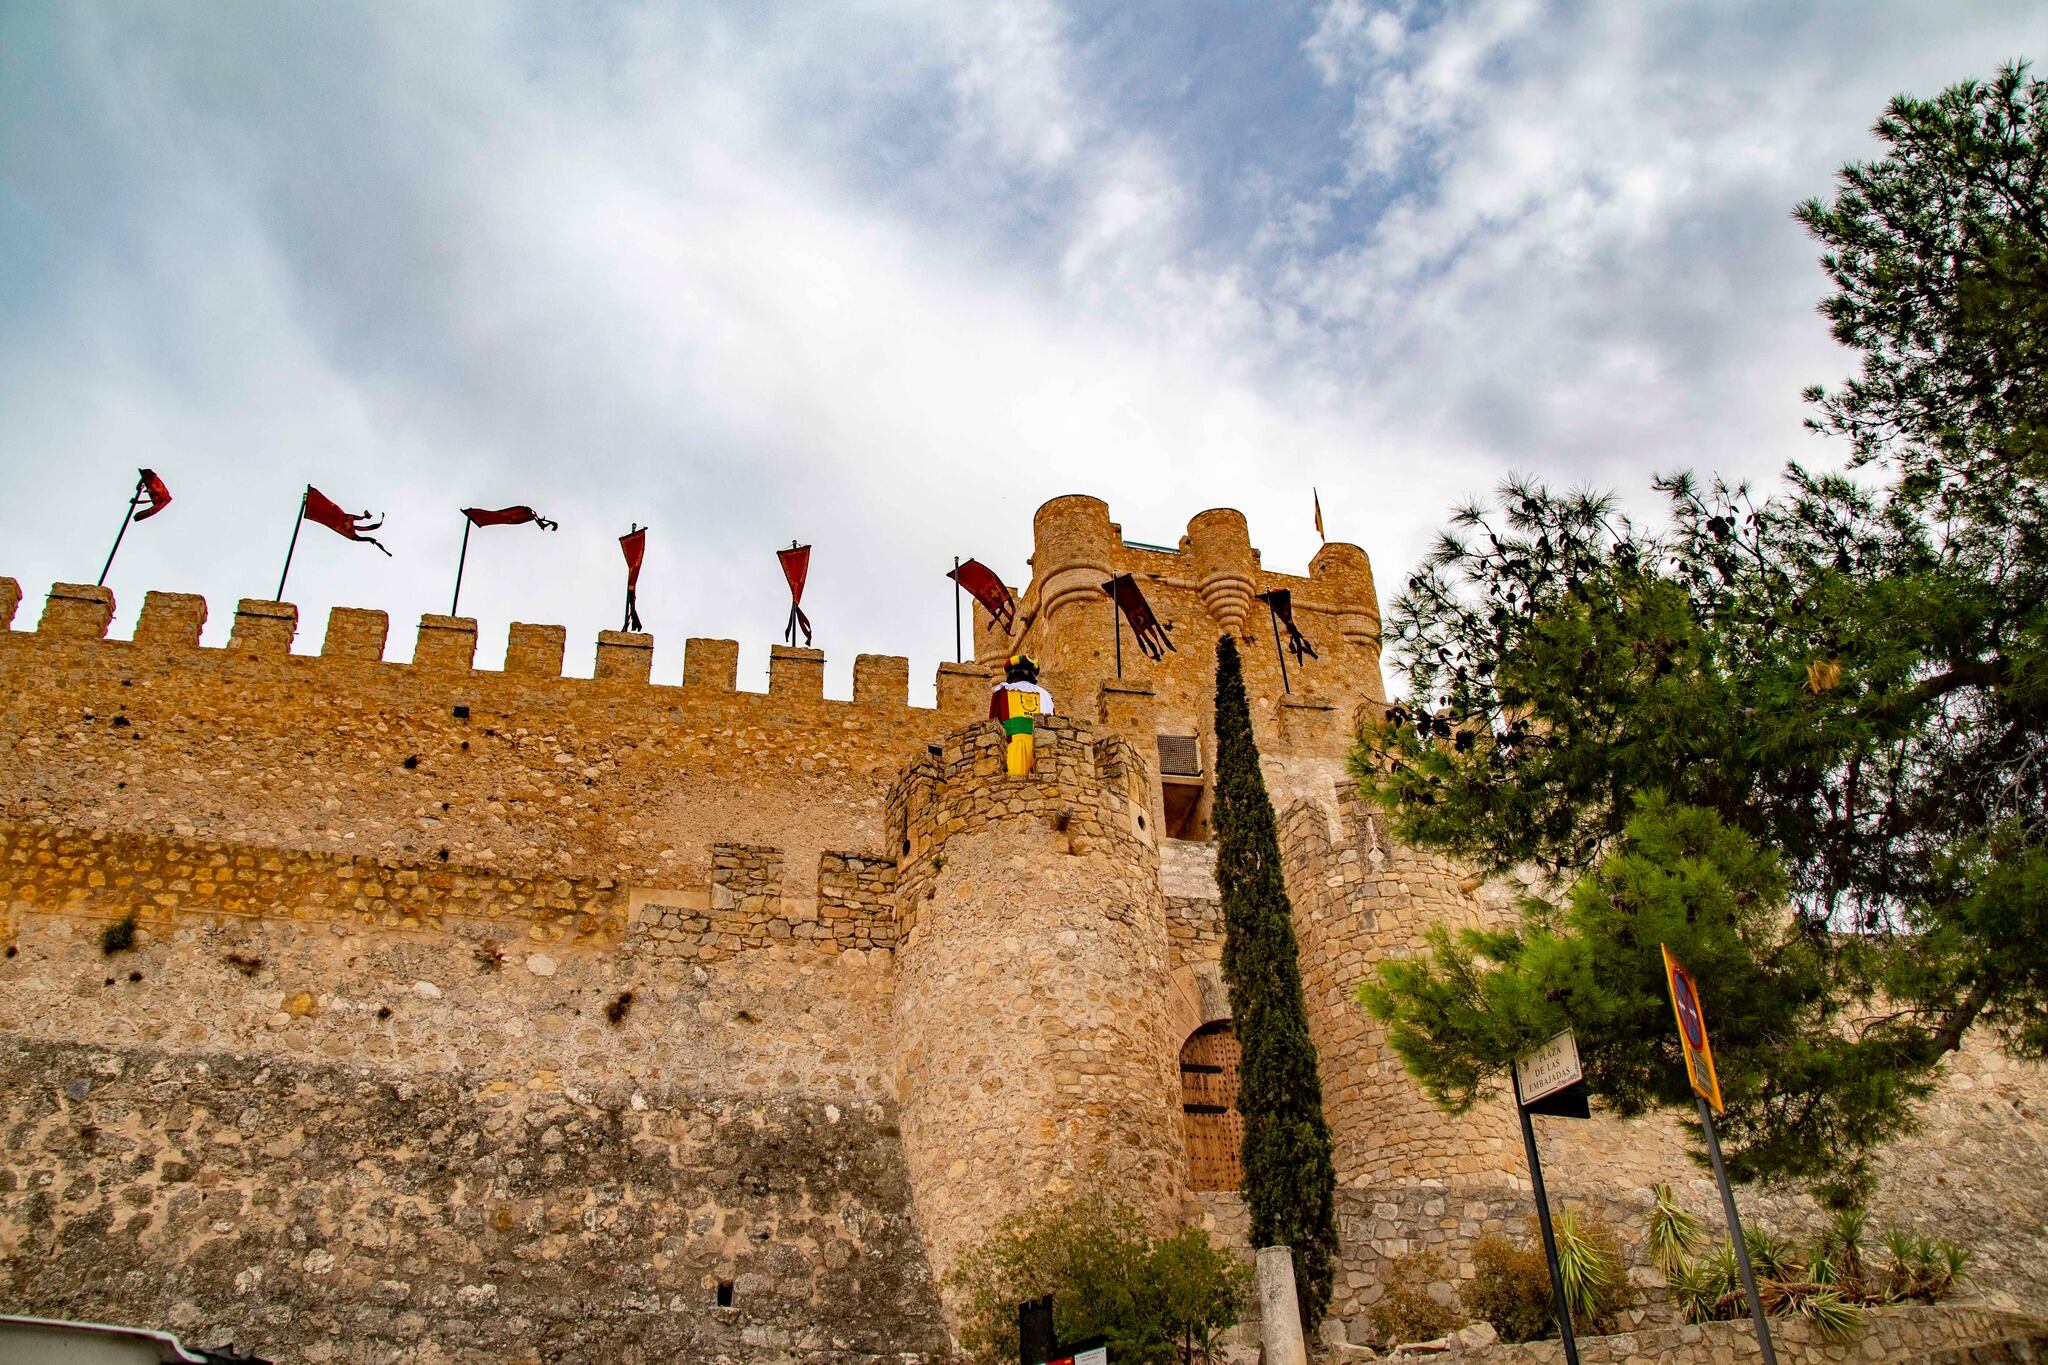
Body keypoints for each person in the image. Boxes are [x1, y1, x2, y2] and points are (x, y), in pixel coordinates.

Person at [988, 654, 1054, 776]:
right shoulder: (1046, 695)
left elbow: (993, 723)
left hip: (1013, 743)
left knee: (1015, 779)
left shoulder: (1002, 692)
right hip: (1044, 745)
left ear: (1011, 673)